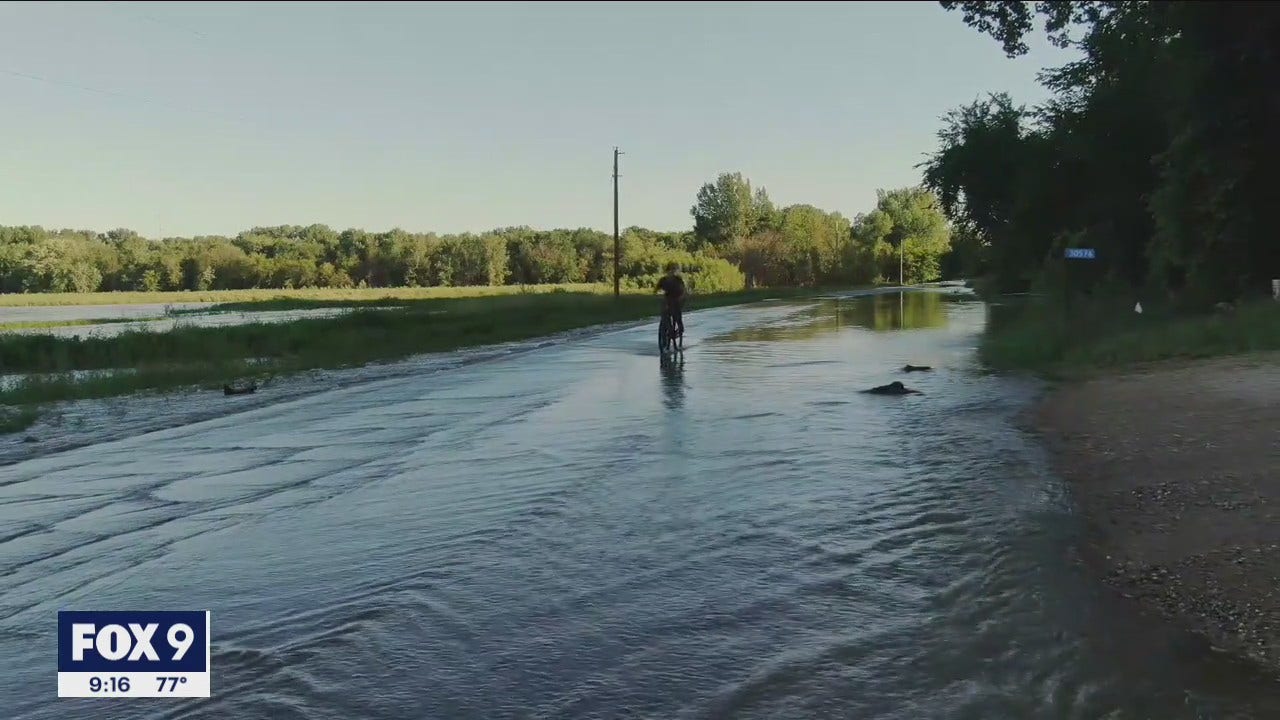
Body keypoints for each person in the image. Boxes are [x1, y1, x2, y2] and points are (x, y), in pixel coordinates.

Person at [655, 261, 686, 341]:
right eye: (670, 270)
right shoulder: (663, 280)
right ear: (667, 270)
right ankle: (667, 331)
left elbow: (683, 290)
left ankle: (679, 329)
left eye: (674, 269)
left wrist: (681, 297)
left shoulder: (678, 280)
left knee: (677, 316)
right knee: (665, 314)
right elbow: (657, 289)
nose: (672, 272)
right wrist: (658, 294)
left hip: (676, 299)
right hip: (667, 299)